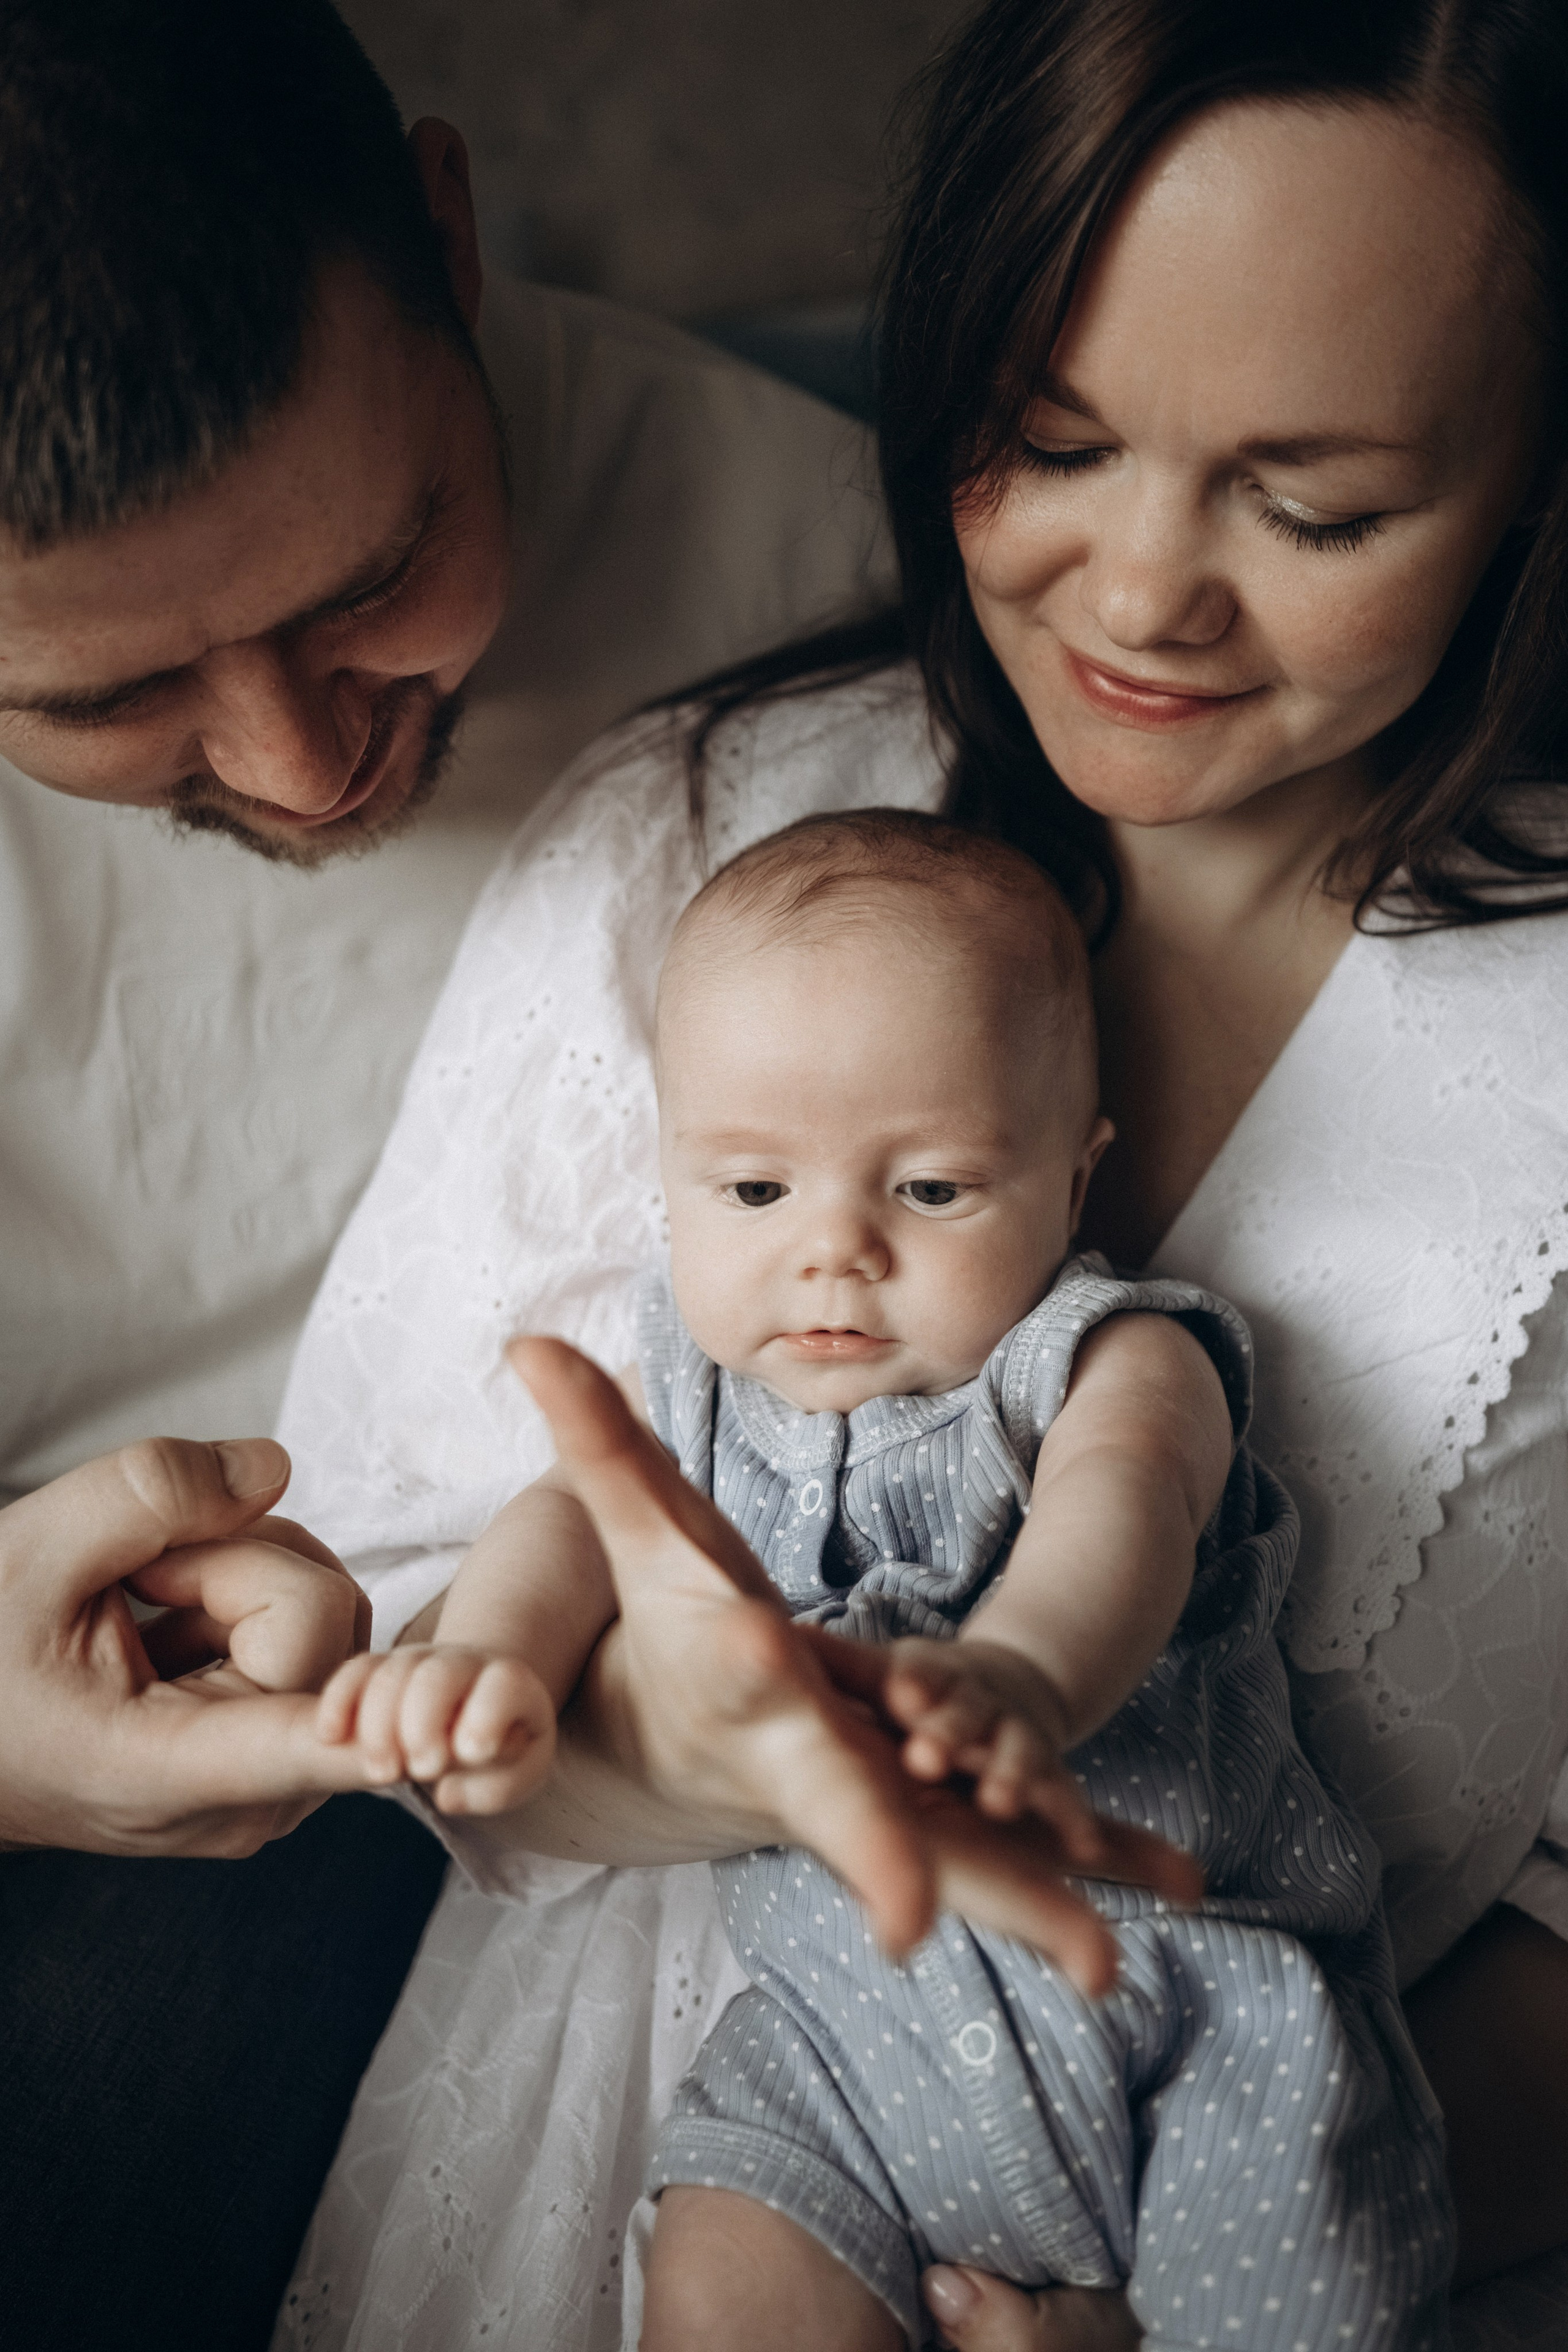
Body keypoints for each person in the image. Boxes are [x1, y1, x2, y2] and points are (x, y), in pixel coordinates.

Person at [268, 1, 1568, 2346]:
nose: (1144, 594)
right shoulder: (708, 840)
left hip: (1316, 2183)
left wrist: (1208, 2283)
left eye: (1317, 506)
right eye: (1047, 438)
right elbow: (396, 1606)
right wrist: (648, 1739)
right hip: (694, 2125)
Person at [0, 2, 903, 2345]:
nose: (297, 763)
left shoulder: (844, 600)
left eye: (376, 571)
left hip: (485, 1767)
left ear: (451, 233)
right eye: (105, 703)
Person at [309, 807, 1450, 2351]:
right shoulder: (690, 1396)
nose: (830, 1253)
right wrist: (489, 1658)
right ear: (669, 1177)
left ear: (1069, 1177)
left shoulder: (1111, 1359)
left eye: (928, 1191)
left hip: (1199, 2021)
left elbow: (1121, 1518)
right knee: (719, 2276)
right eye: (753, 1193)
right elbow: (569, 1520)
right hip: (842, 2049)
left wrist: (1023, 1677)